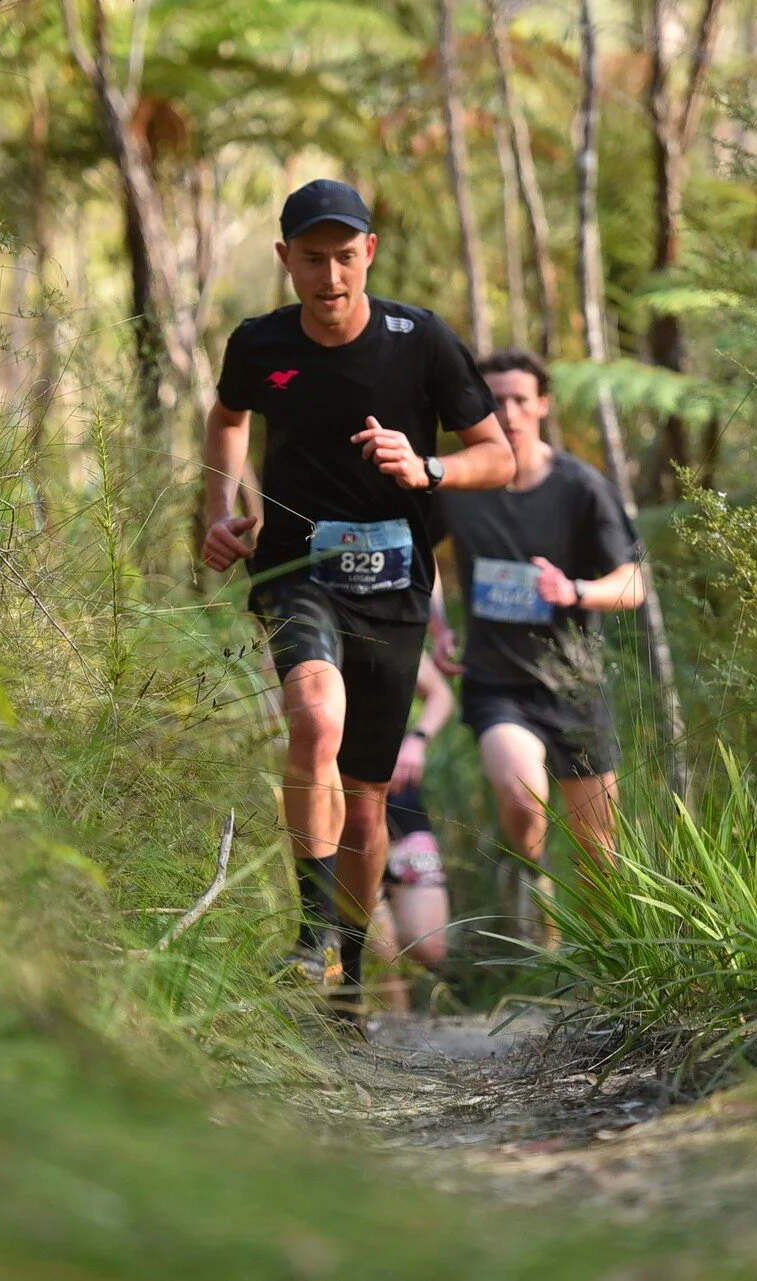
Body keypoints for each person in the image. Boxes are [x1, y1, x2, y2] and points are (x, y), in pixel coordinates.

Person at [200, 179, 514, 1022]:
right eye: (312, 259)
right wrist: (218, 509)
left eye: (345, 257)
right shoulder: (260, 343)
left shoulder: (421, 341)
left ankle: (345, 969)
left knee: (368, 805)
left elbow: (499, 456)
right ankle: (311, 935)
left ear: (369, 252)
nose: (330, 276)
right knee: (312, 720)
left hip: (396, 587)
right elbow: (228, 418)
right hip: (297, 567)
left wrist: (428, 468)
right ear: (285, 261)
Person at [432, 348, 644, 929]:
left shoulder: (581, 486)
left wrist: (573, 590)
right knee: (524, 797)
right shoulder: (459, 483)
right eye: (495, 400)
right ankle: (534, 896)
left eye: (521, 399)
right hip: (496, 682)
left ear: (542, 405)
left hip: (575, 684)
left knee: (601, 850)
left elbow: (633, 582)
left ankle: (610, 973)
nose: (508, 411)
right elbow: (419, 553)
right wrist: (439, 625)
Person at [367, 653, 454, 1011]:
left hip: (402, 808)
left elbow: (441, 693)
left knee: (429, 945)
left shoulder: (387, 615)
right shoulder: (299, 627)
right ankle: (394, 1027)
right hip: (337, 812)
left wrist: (417, 739)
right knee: (374, 925)